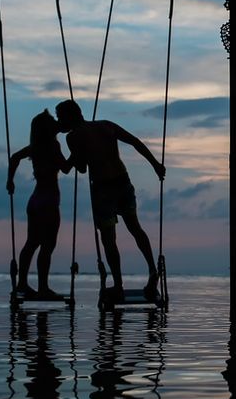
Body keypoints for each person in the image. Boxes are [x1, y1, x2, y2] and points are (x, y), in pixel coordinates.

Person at [55, 99, 166, 301]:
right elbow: (135, 142)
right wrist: (155, 165)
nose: (58, 121)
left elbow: (81, 168)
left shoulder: (73, 137)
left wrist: (72, 153)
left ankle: (118, 284)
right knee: (135, 227)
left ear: (68, 118)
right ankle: (152, 270)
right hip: (123, 181)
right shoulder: (106, 125)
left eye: (60, 118)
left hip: (103, 188)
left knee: (109, 239)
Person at [7, 109, 72, 298]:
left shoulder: (35, 146)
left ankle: (22, 284)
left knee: (32, 243)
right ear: (46, 128)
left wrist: (10, 180)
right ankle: (43, 287)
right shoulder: (53, 145)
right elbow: (66, 168)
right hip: (49, 201)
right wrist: (77, 154)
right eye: (52, 122)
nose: (55, 124)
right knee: (48, 245)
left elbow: (14, 158)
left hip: (35, 201)